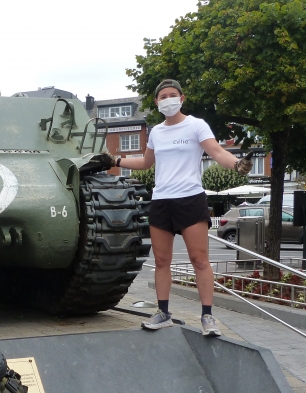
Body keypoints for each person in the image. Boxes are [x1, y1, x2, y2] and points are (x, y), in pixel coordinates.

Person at [103, 79, 252, 336]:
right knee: (161, 261)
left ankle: (207, 317)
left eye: (173, 95)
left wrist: (237, 164)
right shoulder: (157, 132)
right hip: (161, 201)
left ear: (182, 99)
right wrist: (115, 160)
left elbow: (216, 152)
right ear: (157, 102)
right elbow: (147, 162)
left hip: (190, 199)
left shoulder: (196, 125)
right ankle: (163, 313)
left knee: (199, 260)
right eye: (163, 96)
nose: (168, 99)